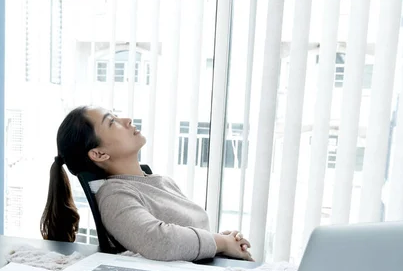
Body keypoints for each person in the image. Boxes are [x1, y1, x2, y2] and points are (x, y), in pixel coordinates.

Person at [40, 105, 254, 262]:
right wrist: (221, 243)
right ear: (99, 153)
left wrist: (222, 244)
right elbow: (160, 242)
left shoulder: (158, 182)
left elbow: (185, 236)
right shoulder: (115, 196)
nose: (127, 120)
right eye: (112, 122)